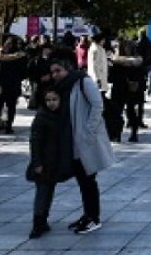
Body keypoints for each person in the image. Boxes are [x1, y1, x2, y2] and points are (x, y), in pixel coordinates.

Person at [50, 60, 115, 235]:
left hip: (85, 140)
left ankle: (94, 217)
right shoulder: (63, 86)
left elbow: (97, 105)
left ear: (67, 69)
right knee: (83, 180)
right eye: (53, 71)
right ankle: (88, 214)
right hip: (73, 141)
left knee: (88, 180)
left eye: (58, 69)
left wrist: (88, 131)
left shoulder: (82, 82)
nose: (55, 74)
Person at [27, 88, 73, 239]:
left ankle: (43, 219)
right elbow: (35, 141)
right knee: (42, 192)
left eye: (54, 100)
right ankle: (37, 222)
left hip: (54, 162)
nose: (51, 103)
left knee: (49, 191)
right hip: (44, 161)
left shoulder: (61, 115)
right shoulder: (41, 118)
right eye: (48, 100)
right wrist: (37, 163)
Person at [0, 37, 28, 134]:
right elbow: (24, 72)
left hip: (5, 83)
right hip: (8, 83)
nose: (7, 46)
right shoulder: (18, 56)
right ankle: (1, 125)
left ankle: (3, 125)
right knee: (1, 106)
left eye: (9, 44)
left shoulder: (1, 54)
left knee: (5, 106)